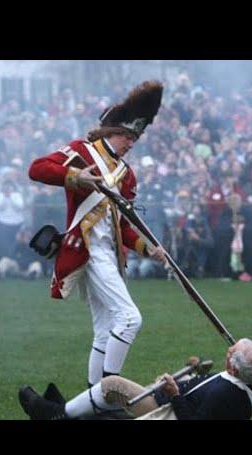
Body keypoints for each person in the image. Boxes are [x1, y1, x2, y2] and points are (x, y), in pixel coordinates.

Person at [27, 81, 166, 388]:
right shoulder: (81, 151)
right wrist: (74, 176)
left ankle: (93, 398)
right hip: (87, 251)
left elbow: (124, 228)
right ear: (110, 131)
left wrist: (149, 249)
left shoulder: (126, 175)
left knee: (104, 331)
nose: (131, 143)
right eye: (127, 136)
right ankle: (109, 389)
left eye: (135, 138)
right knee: (130, 319)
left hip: (110, 255)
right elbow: (36, 169)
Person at [18, 327, 252, 420]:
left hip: (168, 412)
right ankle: (72, 408)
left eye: (230, 352)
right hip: (174, 398)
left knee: (111, 384)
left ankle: (57, 413)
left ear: (234, 367)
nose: (227, 351)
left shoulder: (225, 395)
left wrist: (175, 394)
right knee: (115, 400)